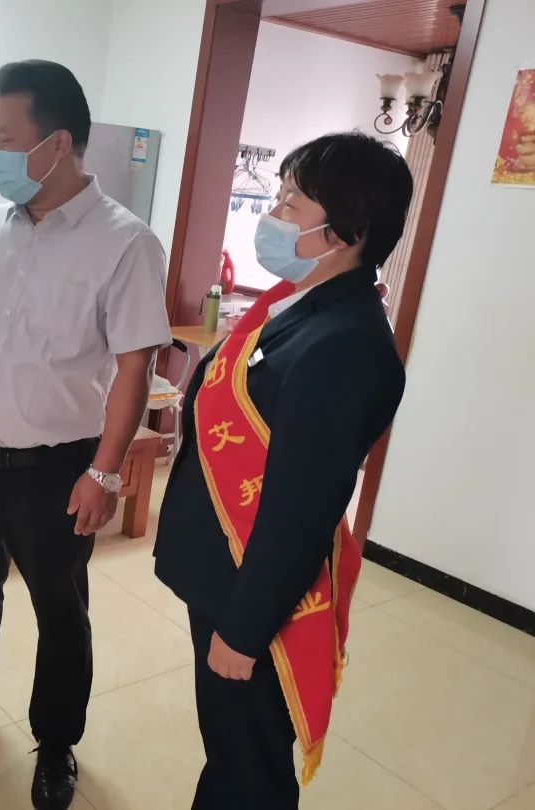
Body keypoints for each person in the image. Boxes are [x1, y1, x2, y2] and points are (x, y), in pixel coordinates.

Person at [0, 60, 171, 810]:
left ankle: (55, 742)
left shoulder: (126, 243)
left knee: (60, 609)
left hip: (57, 468)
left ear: (57, 143)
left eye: (5, 139)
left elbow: (135, 366)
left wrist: (106, 472)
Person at [153, 132, 413, 809]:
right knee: (229, 746)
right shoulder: (297, 305)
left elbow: (301, 511)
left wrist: (244, 630)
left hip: (254, 596)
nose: (272, 216)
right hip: (224, 570)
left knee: (249, 767)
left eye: (291, 204)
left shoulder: (349, 345)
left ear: (347, 231)